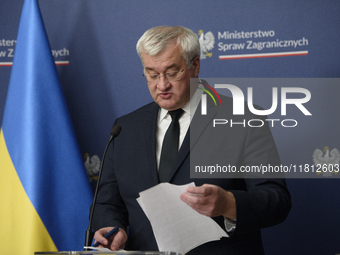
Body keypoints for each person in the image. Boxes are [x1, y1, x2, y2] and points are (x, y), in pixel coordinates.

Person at [92, 26, 291, 255]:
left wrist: (228, 203)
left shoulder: (243, 118)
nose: (162, 85)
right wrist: (111, 228)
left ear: (194, 66)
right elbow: (107, 202)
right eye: (152, 74)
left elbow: (277, 200)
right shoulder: (125, 128)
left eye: (172, 72)